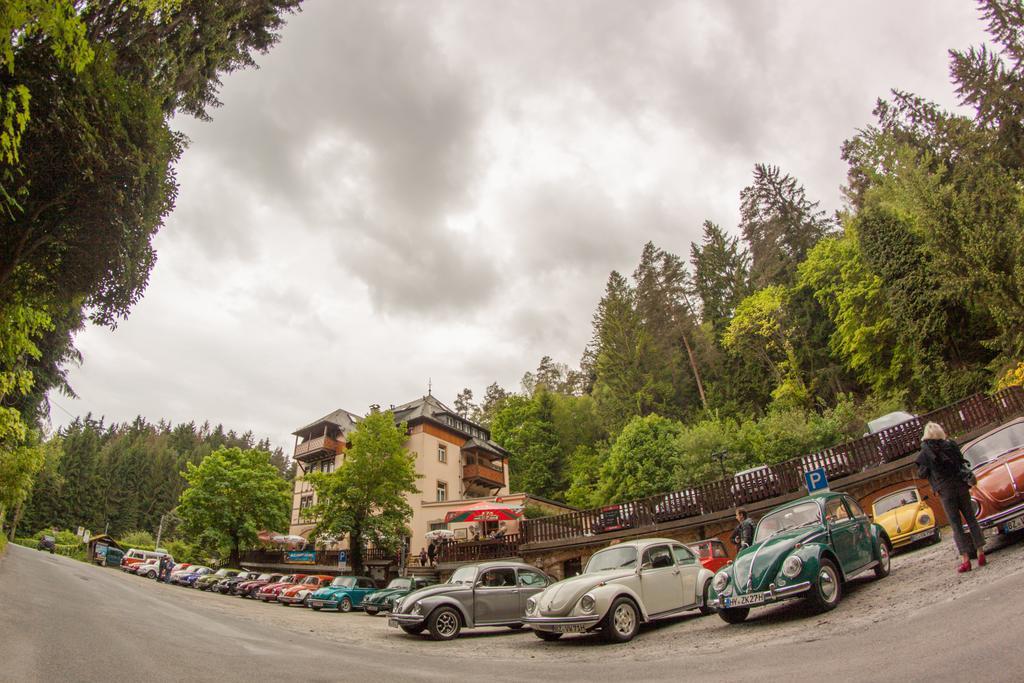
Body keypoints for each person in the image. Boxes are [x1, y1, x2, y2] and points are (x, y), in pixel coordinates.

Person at [916, 421, 986, 573]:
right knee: (971, 519)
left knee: (956, 526)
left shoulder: (925, 452)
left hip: (945, 491)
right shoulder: (951, 445)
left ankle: (966, 560)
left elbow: (921, 473)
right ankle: (981, 552)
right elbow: (961, 463)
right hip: (961, 486)